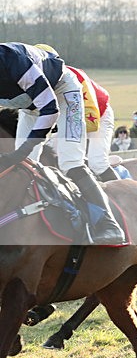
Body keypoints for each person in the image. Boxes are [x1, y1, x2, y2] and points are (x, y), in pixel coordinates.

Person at [0, 42, 124, 245]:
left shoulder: (14, 61)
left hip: (64, 93)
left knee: (70, 162)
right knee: (22, 166)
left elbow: (50, 109)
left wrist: (24, 149)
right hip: (30, 106)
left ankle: (108, 223)